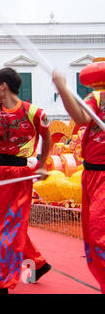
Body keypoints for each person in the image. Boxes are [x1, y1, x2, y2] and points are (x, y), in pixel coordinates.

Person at [0, 67, 52, 294]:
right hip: (3, 173)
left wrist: (44, 164)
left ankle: (3, 283)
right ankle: (37, 262)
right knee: (12, 224)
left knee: (5, 227)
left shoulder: (35, 113)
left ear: (3, 86)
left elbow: (47, 137)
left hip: (21, 174)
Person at [52, 61, 105, 293]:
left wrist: (63, 88)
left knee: (98, 234)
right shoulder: (99, 97)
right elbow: (83, 118)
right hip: (92, 173)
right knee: (93, 239)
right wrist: (63, 88)